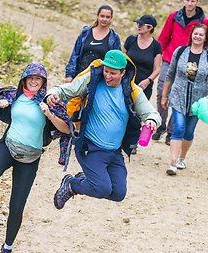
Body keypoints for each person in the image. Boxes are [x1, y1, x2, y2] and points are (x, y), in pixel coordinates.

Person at [0, 63, 70, 253]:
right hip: (8, 146)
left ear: (44, 82)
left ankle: (7, 249)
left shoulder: (49, 103)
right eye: (30, 78)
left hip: (30, 158)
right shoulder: (14, 95)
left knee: (16, 207)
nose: (34, 81)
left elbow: (67, 129)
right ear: (24, 79)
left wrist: (49, 115)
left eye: (38, 79)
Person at [46, 50, 161, 209]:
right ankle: (72, 184)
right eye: (106, 71)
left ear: (123, 72)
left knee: (118, 193)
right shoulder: (92, 81)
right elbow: (68, 89)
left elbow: (152, 113)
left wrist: (151, 121)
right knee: (101, 188)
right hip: (90, 148)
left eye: (113, 73)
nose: (107, 76)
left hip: (114, 152)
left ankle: (83, 180)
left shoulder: (132, 91)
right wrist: (54, 93)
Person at [161, 24, 208, 175]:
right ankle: (172, 163)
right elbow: (170, 74)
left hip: (198, 100)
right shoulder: (180, 52)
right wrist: (165, 95)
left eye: (201, 34)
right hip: (179, 95)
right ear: (191, 35)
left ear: (205, 38)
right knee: (178, 128)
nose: (198, 37)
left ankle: (182, 157)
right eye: (195, 34)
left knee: (189, 132)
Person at [154, 0, 208, 146]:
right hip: (169, 57)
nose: (190, 3)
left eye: (193, 0)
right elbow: (164, 37)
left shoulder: (203, 20)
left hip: (190, 60)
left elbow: (204, 41)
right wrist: (158, 55)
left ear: (197, 2)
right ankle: (161, 124)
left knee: (180, 95)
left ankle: (172, 131)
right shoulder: (174, 16)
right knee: (161, 91)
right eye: (187, 0)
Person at [65, 4, 121, 83]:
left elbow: (116, 62)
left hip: (99, 80)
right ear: (97, 16)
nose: (104, 19)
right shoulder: (86, 32)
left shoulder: (114, 38)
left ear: (111, 18)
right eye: (102, 16)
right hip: (79, 76)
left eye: (107, 17)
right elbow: (75, 54)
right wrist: (69, 75)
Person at [123, 14, 162, 100]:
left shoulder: (156, 46)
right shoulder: (131, 39)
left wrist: (148, 81)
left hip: (143, 88)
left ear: (150, 28)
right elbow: (122, 57)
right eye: (138, 24)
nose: (138, 26)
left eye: (141, 25)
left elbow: (157, 69)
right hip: (126, 83)